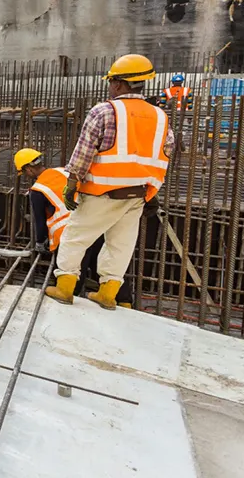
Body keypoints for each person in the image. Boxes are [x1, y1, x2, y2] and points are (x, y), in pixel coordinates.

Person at [45, 54, 174, 310]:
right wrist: (152, 190)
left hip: (102, 191)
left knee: (76, 236)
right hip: (137, 193)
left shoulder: (105, 110)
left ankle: (65, 287)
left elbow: (83, 152)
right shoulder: (160, 116)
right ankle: (108, 293)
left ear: (117, 83)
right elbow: (166, 152)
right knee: (121, 243)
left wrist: (72, 184)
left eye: (111, 82)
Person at [15, 148, 132, 307]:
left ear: (28, 169)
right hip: (94, 223)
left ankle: (68, 299)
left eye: (25, 173)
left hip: (69, 232)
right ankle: (124, 302)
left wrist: (40, 242)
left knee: (72, 269)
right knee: (105, 263)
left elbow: (40, 221)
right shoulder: (64, 171)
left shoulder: (38, 190)